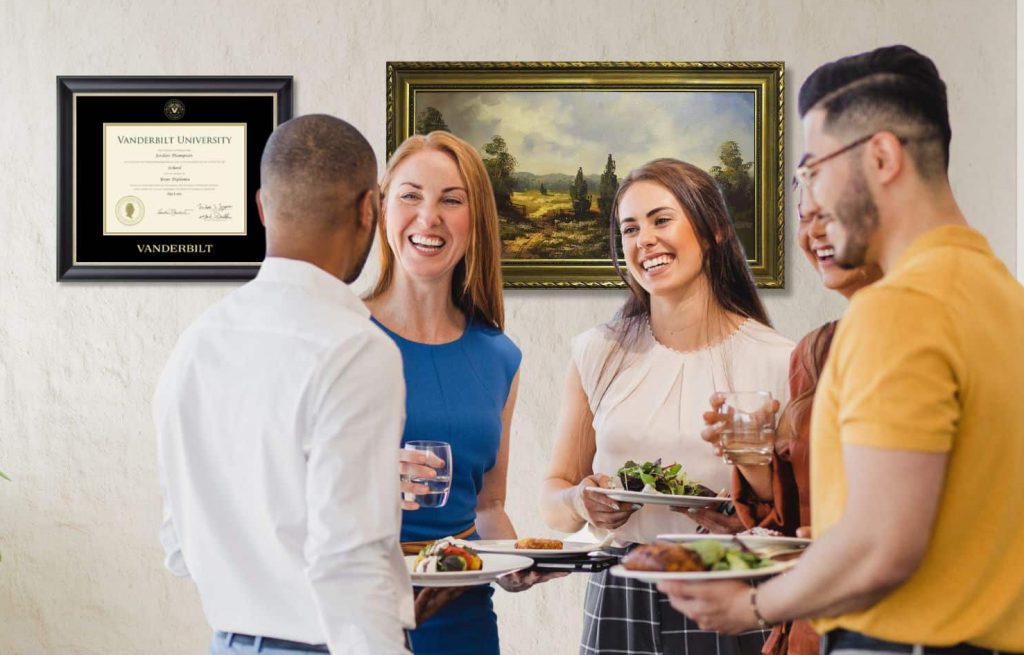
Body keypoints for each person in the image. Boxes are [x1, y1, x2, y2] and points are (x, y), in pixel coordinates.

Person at [659, 45, 1024, 654]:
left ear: (881, 157)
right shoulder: (1004, 297)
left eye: (812, 171)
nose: (812, 203)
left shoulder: (898, 309)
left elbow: (883, 545)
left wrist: (753, 603)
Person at [155, 114, 413, 655]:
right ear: (370, 209)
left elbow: (179, 548)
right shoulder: (356, 351)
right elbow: (351, 560)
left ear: (262, 207)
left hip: (225, 642)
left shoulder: (195, 344)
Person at [540, 158, 794, 655]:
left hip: (730, 584)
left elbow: (798, 519)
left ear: (713, 229)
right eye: (630, 228)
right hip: (621, 590)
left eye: (661, 220)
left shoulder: (777, 360)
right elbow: (555, 501)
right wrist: (580, 501)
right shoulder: (597, 351)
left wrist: (748, 508)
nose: (644, 240)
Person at [365, 131, 555, 655]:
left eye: (451, 199)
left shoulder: (500, 357)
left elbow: (489, 505)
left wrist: (512, 564)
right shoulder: (337, 334)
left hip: (462, 621)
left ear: (476, 223)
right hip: (354, 615)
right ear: (382, 209)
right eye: (410, 195)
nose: (429, 217)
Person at [689, 188, 882, 655]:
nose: (814, 231)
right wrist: (752, 459)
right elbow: (790, 520)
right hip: (809, 629)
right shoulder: (813, 354)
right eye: (803, 215)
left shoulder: (944, 332)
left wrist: (754, 606)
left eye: (830, 211)